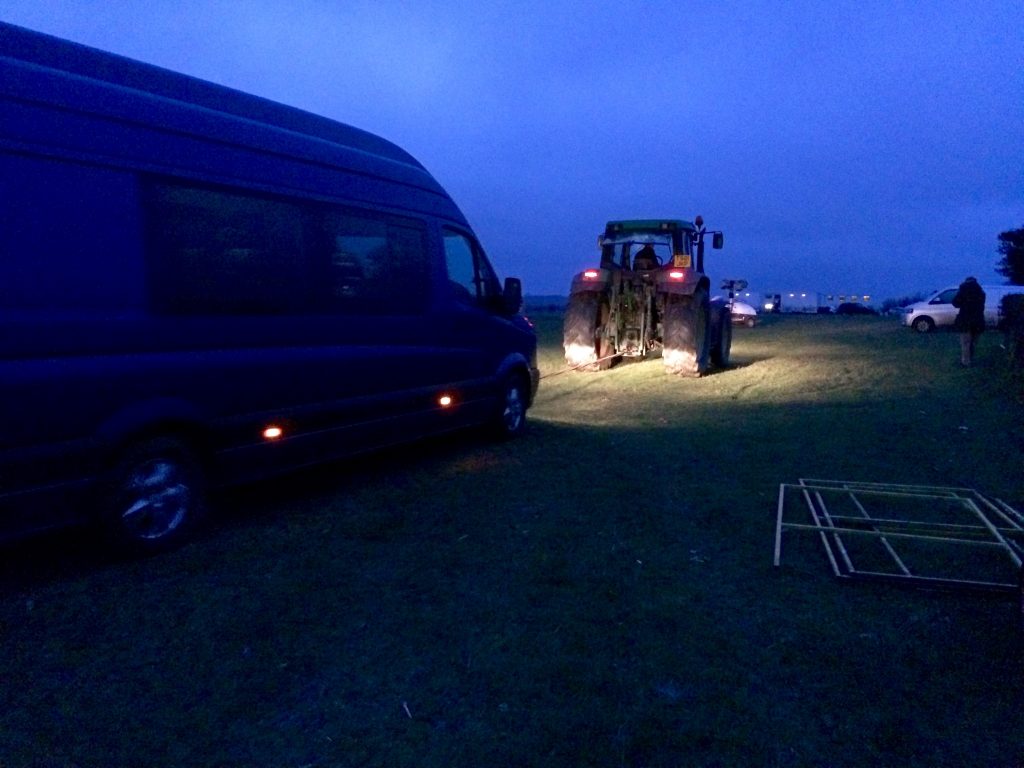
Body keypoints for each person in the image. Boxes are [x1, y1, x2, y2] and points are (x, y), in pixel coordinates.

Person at [952, 276, 986, 366]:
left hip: (965, 320)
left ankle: (965, 362)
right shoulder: (981, 293)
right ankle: (971, 358)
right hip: (978, 321)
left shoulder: (963, 291)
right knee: (973, 342)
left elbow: (955, 303)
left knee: (965, 343)